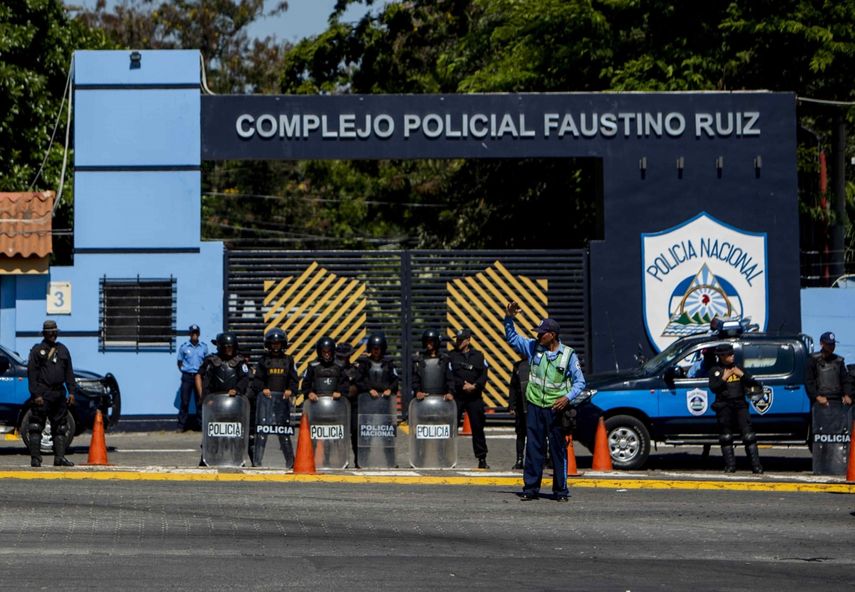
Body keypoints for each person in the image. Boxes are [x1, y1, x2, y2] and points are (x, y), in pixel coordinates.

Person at [504, 302, 586, 502]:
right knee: (533, 449)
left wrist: (567, 398)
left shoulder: (568, 355)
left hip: (555, 409)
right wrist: (509, 318)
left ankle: (560, 491)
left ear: (553, 335)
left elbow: (580, 382)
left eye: (542, 333)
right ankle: (531, 488)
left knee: (557, 450)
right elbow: (512, 338)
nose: (538, 336)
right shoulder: (533, 347)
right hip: (535, 406)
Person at [26, 320, 76, 467]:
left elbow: (69, 373)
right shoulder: (37, 351)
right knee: (36, 426)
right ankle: (35, 458)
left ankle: (59, 458)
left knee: (60, 427)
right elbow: (32, 374)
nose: (53, 335)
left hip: (59, 393)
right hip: (43, 393)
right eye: (49, 332)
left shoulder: (63, 350)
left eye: (54, 332)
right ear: (44, 334)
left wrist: (71, 392)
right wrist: (36, 395)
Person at [708, 343, 764, 474]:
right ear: (722, 356)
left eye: (732, 354)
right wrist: (723, 378)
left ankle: (756, 466)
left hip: (740, 405)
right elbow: (713, 387)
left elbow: (752, 383)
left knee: (749, 436)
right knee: (726, 437)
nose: (732, 356)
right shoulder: (715, 370)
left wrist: (742, 375)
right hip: (724, 406)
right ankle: (730, 466)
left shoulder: (738, 367)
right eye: (729, 354)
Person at [252, 328, 299, 465]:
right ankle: (257, 462)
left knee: (283, 432)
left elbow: (294, 379)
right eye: (273, 343)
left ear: (283, 344)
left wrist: (291, 390)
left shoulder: (289, 360)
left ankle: (290, 462)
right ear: (268, 344)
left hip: (282, 403)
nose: (276, 346)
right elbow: (257, 380)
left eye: (278, 343)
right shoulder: (263, 360)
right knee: (262, 431)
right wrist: (263, 388)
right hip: (266, 401)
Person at [354, 332, 399, 467]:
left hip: (384, 403)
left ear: (383, 348)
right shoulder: (364, 364)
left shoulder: (389, 364)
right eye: (373, 348)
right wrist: (369, 389)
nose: (376, 351)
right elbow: (358, 381)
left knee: (387, 434)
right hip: (367, 403)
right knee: (366, 434)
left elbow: (395, 381)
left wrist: (390, 389)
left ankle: (390, 462)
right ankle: (363, 462)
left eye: (378, 348)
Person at [448, 328, 490, 469]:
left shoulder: (479, 356)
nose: (458, 342)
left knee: (478, 427)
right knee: (451, 427)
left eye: (461, 340)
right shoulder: (451, 356)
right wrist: (462, 385)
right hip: (458, 396)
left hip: (474, 396)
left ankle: (482, 458)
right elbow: (449, 375)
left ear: (468, 340)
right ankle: (448, 457)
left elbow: (484, 374)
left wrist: (475, 386)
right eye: (457, 340)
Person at [196, 332, 251, 399]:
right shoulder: (212, 361)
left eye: (231, 347)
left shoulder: (239, 361)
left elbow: (244, 378)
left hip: (234, 398)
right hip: (215, 398)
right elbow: (206, 381)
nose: (229, 350)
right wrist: (205, 397)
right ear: (221, 347)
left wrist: (236, 389)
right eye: (227, 347)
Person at [805, 331, 853, 408]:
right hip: (821, 400)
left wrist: (847, 394)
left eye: (833, 344)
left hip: (837, 400)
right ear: (822, 344)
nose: (831, 346)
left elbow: (845, 380)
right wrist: (817, 397)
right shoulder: (813, 359)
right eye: (829, 344)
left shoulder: (839, 361)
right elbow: (809, 381)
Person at [176, 324, 208, 431]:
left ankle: (201, 425)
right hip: (187, 377)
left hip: (199, 377)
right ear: (189, 334)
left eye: (196, 332)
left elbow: (206, 362)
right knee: (185, 401)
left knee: (200, 400)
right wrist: (185, 371)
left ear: (199, 334)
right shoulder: (184, 347)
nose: (194, 334)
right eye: (192, 333)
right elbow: (179, 362)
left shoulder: (204, 347)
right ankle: (181, 426)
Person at [335, 341, 361, 466]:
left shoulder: (354, 370)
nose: (343, 359)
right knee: (338, 434)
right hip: (337, 406)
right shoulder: (333, 369)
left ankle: (358, 460)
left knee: (355, 432)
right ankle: (339, 461)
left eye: (345, 356)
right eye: (340, 357)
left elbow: (358, 387)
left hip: (352, 405)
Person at [412, 329, 454, 402]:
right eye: (426, 341)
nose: (428, 344)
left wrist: (450, 392)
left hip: (442, 399)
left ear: (436, 342)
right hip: (423, 399)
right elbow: (415, 379)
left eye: (431, 341)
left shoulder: (444, 359)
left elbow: (450, 379)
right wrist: (417, 392)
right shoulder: (419, 360)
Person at [302, 337, 348, 402]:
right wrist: (309, 393)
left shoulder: (340, 366)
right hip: (316, 402)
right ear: (319, 352)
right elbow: (305, 384)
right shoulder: (312, 366)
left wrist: (340, 392)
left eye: (329, 351)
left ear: (332, 351)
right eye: (324, 351)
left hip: (336, 403)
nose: (327, 354)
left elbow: (345, 383)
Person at [508, 356, 530, 470]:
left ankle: (537, 460)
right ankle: (519, 459)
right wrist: (511, 405)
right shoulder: (517, 366)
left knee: (535, 434)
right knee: (520, 433)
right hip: (521, 406)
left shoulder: (539, 363)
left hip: (534, 404)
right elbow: (513, 386)